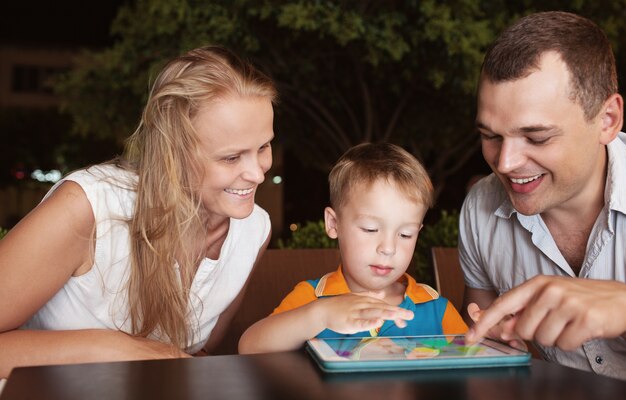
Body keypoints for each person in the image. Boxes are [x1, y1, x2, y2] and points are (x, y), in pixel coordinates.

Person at [0, 46, 277, 379]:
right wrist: (112, 349)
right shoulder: (87, 207)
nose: (258, 174)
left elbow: (196, 351)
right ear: (173, 153)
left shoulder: (254, 229)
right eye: (231, 158)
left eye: (263, 147)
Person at [459, 11, 626, 379]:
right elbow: (483, 353)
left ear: (607, 120)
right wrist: (498, 347)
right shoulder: (480, 209)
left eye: (537, 137)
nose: (505, 163)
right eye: (491, 136)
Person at [239, 143, 467, 354]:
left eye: (405, 234)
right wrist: (320, 316)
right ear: (333, 224)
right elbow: (249, 348)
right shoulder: (312, 298)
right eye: (370, 229)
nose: (388, 248)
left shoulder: (434, 308)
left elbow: (473, 358)